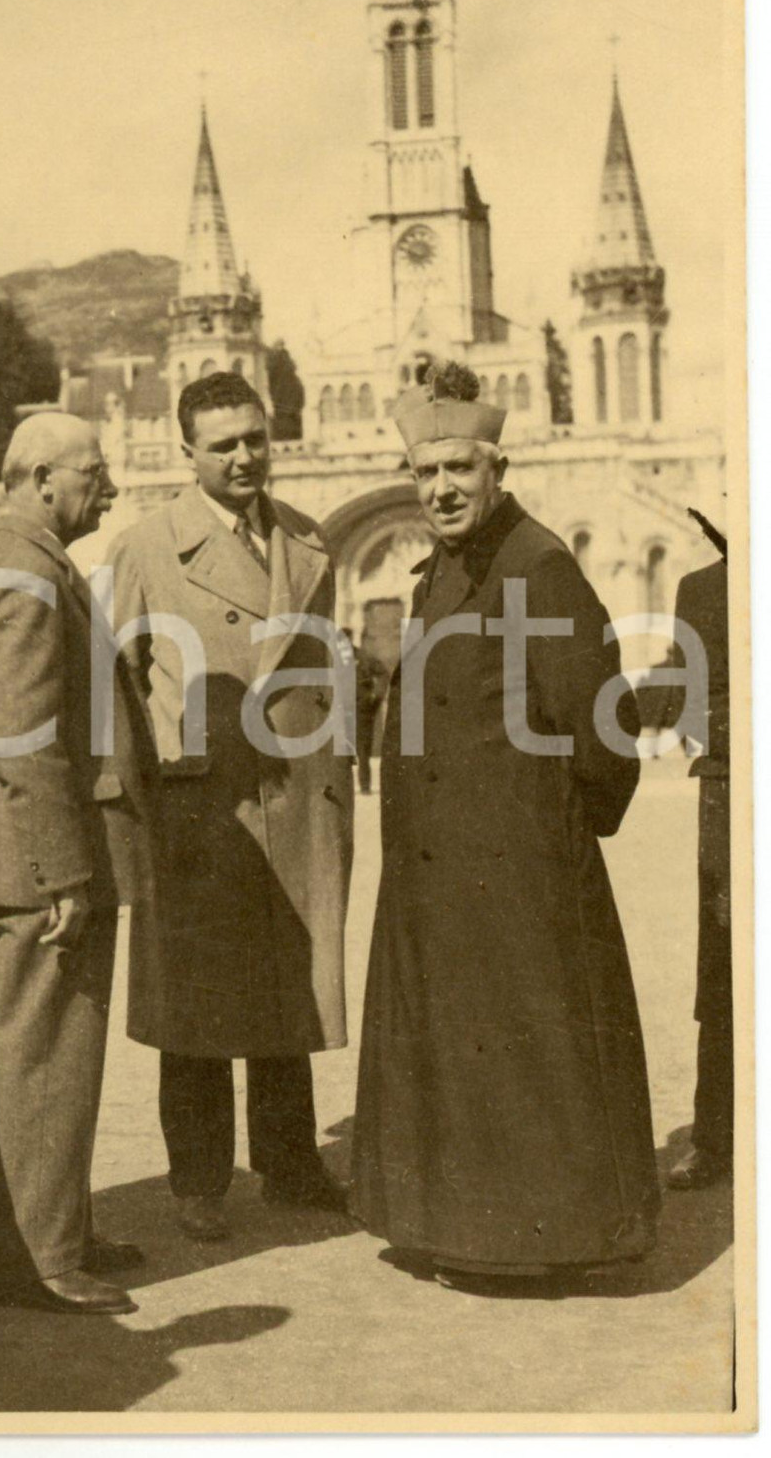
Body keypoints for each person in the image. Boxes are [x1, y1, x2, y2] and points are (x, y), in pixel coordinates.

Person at [352, 363, 660, 1283]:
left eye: (459, 469)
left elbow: (606, 725)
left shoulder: (541, 565)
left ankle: (538, 1244)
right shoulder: (440, 569)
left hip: (521, 868)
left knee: (528, 1059)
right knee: (456, 1053)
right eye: (424, 472)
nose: (441, 489)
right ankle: (458, 1230)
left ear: (498, 467)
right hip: (439, 870)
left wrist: (558, 831)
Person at [104, 371, 353, 1240]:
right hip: (201, 809)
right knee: (198, 1004)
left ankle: (290, 1160)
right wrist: (138, 805)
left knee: (287, 986)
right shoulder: (145, 548)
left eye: (255, 438)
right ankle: (198, 1181)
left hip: (296, 795)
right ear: (187, 454)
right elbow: (115, 687)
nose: (245, 456)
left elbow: (328, 661)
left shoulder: (307, 536)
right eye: (224, 445)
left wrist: (339, 756)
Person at [0, 412, 150, 1315]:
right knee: (49, 1055)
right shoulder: (26, 573)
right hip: (39, 866)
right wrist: (64, 872)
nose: (106, 486)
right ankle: (42, 1263)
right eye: (92, 471)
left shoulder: (7, 557)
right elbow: (22, 739)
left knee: (47, 1052)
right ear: (40, 478)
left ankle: (47, 1231)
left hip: (14, 856)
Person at [663, 553, 732, 1188]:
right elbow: (687, 690)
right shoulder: (706, 587)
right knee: (727, 961)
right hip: (735, 784)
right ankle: (719, 1134)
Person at [341, 627, 388, 795]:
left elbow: (382, 673)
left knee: (363, 750)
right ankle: (343, 789)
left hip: (361, 712)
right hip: (338, 713)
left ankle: (365, 786)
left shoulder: (362, 657)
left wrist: (376, 697)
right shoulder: (331, 658)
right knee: (340, 753)